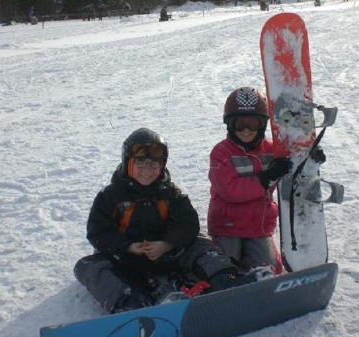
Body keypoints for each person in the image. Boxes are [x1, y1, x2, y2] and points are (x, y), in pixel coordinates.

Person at [75, 128, 245, 314]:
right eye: (140, 166)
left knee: (201, 242)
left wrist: (167, 244)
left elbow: (189, 224)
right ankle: (130, 304)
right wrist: (128, 246)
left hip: (167, 254)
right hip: (126, 259)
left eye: (153, 167)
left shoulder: (170, 193)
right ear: (127, 164)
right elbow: (98, 232)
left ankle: (225, 278)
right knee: (89, 266)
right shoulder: (110, 196)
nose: (147, 172)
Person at [208, 87, 293, 274]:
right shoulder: (221, 153)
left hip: (257, 228)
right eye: (239, 124)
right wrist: (264, 179)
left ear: (262, 124)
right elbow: (230, 191)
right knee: (226, 270)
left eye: (252, 124)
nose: (246, 130)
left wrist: (309, 156)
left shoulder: (271, 150)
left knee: (270, 271)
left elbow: (292, 162)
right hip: (226, 228)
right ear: (230, 124)